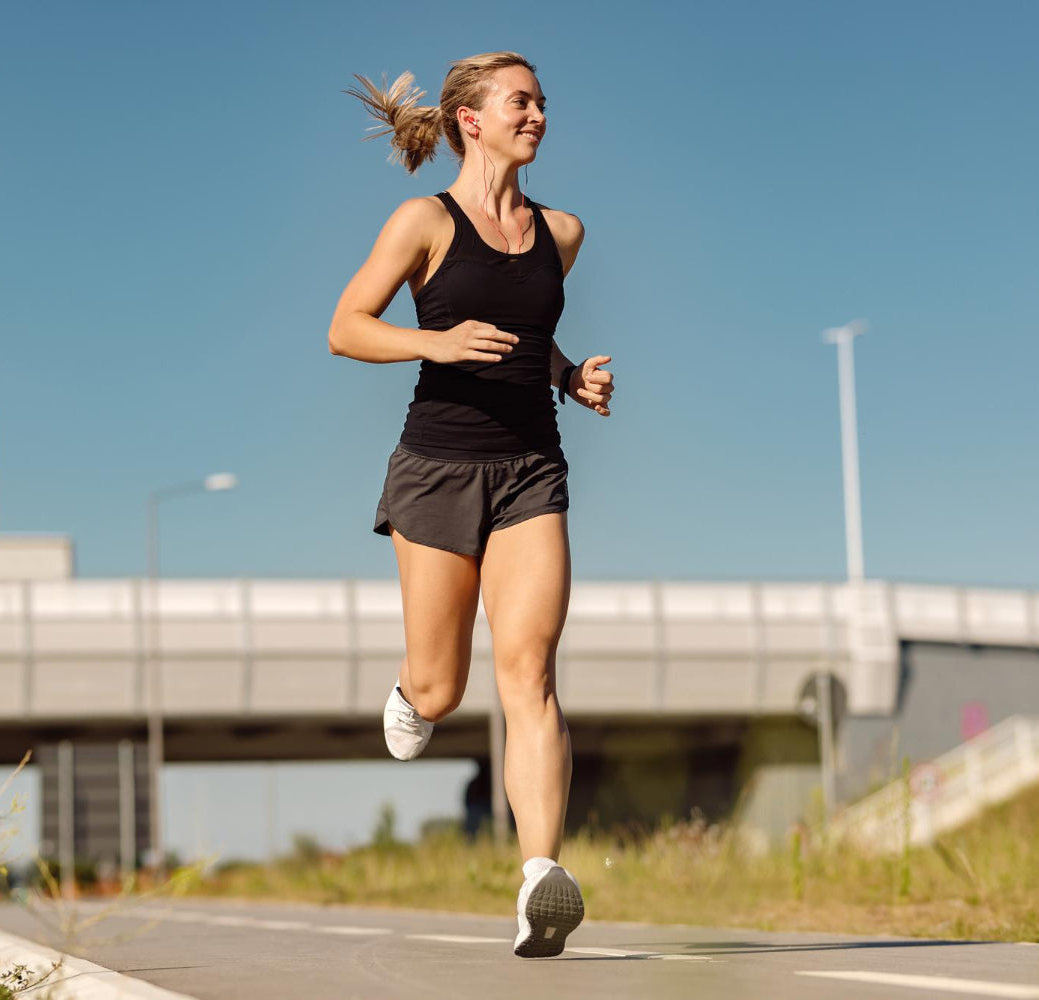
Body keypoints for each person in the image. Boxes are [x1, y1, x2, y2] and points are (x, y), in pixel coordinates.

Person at [328, 51, 615, 958]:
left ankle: (541, 880)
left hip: (532, 467)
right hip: (438, 469)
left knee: (528, 673)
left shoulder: (560, 232)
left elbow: (534, 332)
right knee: (446, 686)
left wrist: (572, 376)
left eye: (541, 103)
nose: (537, 115)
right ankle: (414, 694)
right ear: (471, 120)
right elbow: (347, 327)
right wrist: (437, 344)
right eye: (520, 103)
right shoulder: (424, 220)